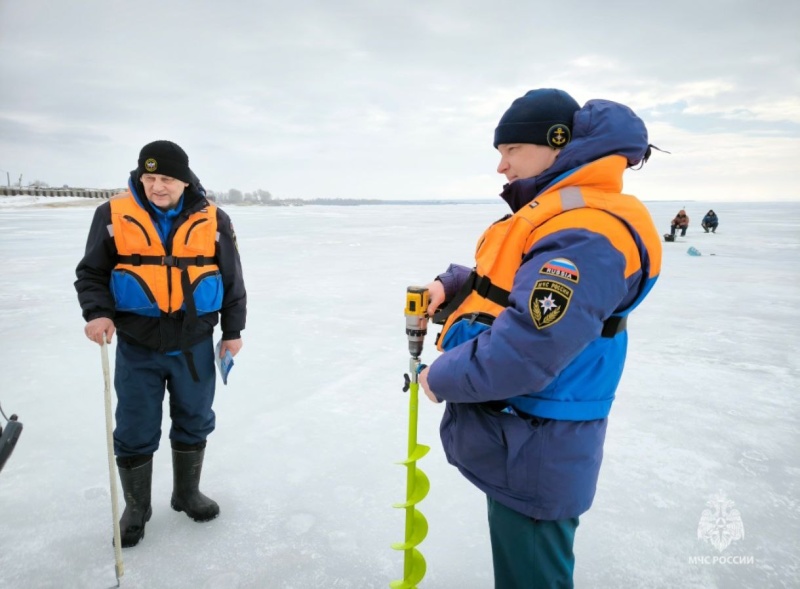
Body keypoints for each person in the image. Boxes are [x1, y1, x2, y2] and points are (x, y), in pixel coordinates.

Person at [416, 89, 662, 588]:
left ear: (557, 143)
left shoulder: (585, 233)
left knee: (530, 575)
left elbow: (526, 349)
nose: (501, 167)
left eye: (511, 151)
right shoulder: (564, 210)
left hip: (537, 440)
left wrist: (438, 377)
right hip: (521, 432)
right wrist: (457, 283)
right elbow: (517, 286)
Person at [75, 140, 247, 547]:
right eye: (149, 177)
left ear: (184, 180)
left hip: (193, 343)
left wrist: (233, 331)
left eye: (165, 178)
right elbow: (91, 274)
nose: (156, 186)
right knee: (135, 425)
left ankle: (186, 493)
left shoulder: (214, 219)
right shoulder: (112, 214)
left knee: (195, 418)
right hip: (138, 342)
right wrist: (97, 312)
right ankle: (137, 507)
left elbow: (232, 280)